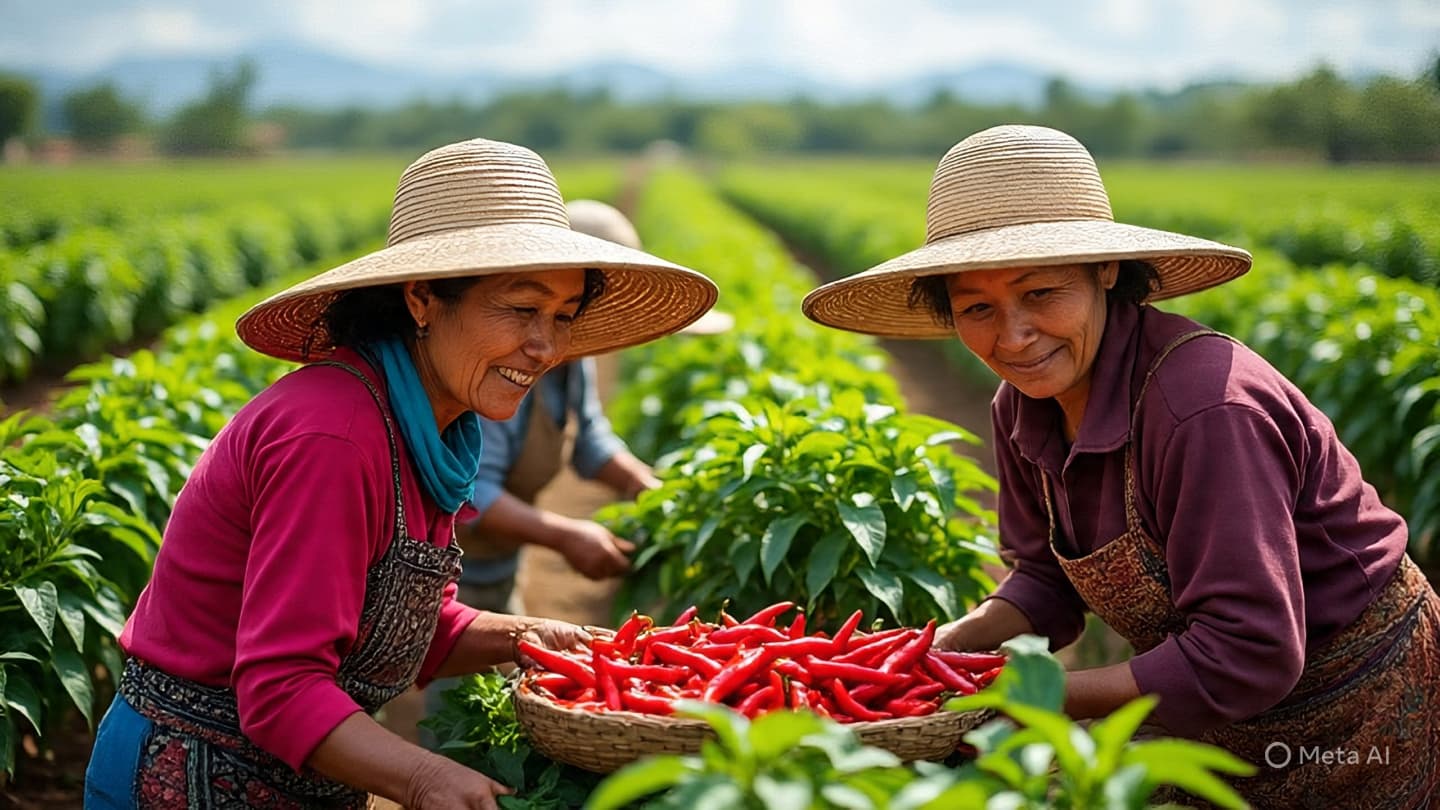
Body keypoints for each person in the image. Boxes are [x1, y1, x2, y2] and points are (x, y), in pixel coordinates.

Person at [801, 124, 1439, 805]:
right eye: (977, 308)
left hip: (1359, 702)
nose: (1013, 337)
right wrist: (934, 654)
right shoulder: (1021, 406)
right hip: (1215, 709)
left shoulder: (1204, 408)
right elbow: (1046, 579)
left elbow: (1248, 653)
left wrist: (1031, 697)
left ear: (1106, 271)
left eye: (1041, 294)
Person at [83, 138, 719, 809]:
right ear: (422, 299)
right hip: (189, 775)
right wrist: (423, 776)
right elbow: (280, 688)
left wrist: (546, 640)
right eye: (521, 308)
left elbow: (406, 623)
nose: (546, 347)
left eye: (563, 317)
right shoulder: (335, 434)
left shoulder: (426, 421)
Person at [452, 198, 734, 615]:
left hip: (498, 563)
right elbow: (471, 494)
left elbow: (590, 440)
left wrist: (647, 486)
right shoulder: (498, 368)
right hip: (447, 575)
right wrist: (567, 536)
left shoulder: (571, 360)